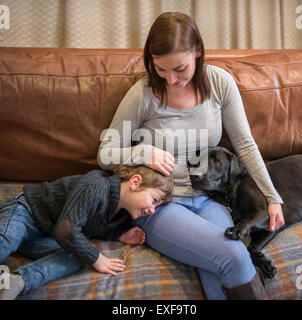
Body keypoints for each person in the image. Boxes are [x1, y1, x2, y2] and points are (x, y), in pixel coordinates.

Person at [97, 12, 285, 300]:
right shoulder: (143, 94)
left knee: (225, 263)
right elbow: (105, 154)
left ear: (198, 51)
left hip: (210, 200)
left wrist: (272, 197)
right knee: (234, 257)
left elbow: (245, 146)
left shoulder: (220, 83)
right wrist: (142, 151)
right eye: (161, 69)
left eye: (180, 69)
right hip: (160, 203)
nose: (171, 80)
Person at [0, 165, 173, 300]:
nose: (152, 210)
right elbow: (66, 230)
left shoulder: (121, 214)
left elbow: (94, 226)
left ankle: (18, 281)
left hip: (46, 236)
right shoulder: (96, 186)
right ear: (135, 183)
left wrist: (119, 236)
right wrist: (97, 258)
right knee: (6, 241)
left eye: (157, 207)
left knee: (77, 257)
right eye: (154, 200)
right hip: (27, 213)